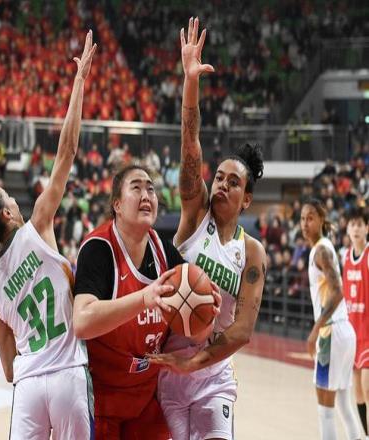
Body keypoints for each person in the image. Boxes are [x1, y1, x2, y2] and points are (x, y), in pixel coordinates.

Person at [0, 31, 96, 440]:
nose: (18, 201)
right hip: (68, 373)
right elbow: (67, 151)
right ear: (8, 213)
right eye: (12, 199)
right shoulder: (39, 225)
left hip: (29, 383)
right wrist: (79, 81)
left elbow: (7, 368)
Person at [147, 17, 267, 440]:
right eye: (218, 177)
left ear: (246, 199)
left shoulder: (251, 253)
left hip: (214, 374)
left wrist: (195, 363)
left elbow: (242, 331)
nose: (221, 184)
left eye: (233, 182)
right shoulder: (195, 214)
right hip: (168, 367)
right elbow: (190, 143)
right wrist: (190, 81)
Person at [72, 163, 220, 439]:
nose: (146, 195)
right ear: (117, 204)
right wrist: (144, 298)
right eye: (136, 187)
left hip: (146, 397)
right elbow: (81, 322)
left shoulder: (164, 252)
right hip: (101, 398)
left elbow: (197, 333)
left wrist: (207, 314)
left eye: (151, 189)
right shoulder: (99, 248)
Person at [301, 199, 361, 440]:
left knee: (325, 409)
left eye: (310, 218)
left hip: (331, 333)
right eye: (302, 218)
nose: (305, 223)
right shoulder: (324, 247)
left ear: (321, 220)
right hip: (344, 331)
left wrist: (315, 329)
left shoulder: (321, 250)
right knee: (344, 403)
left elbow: (337, 292)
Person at [342, 207, 369, 439]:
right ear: (347, 229)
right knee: (357, 390)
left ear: (367, 228)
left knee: (367, 387)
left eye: (360, 224)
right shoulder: (345, 257)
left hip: (367, 332)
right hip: (351, 332)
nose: (356, 229)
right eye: (352, 224)